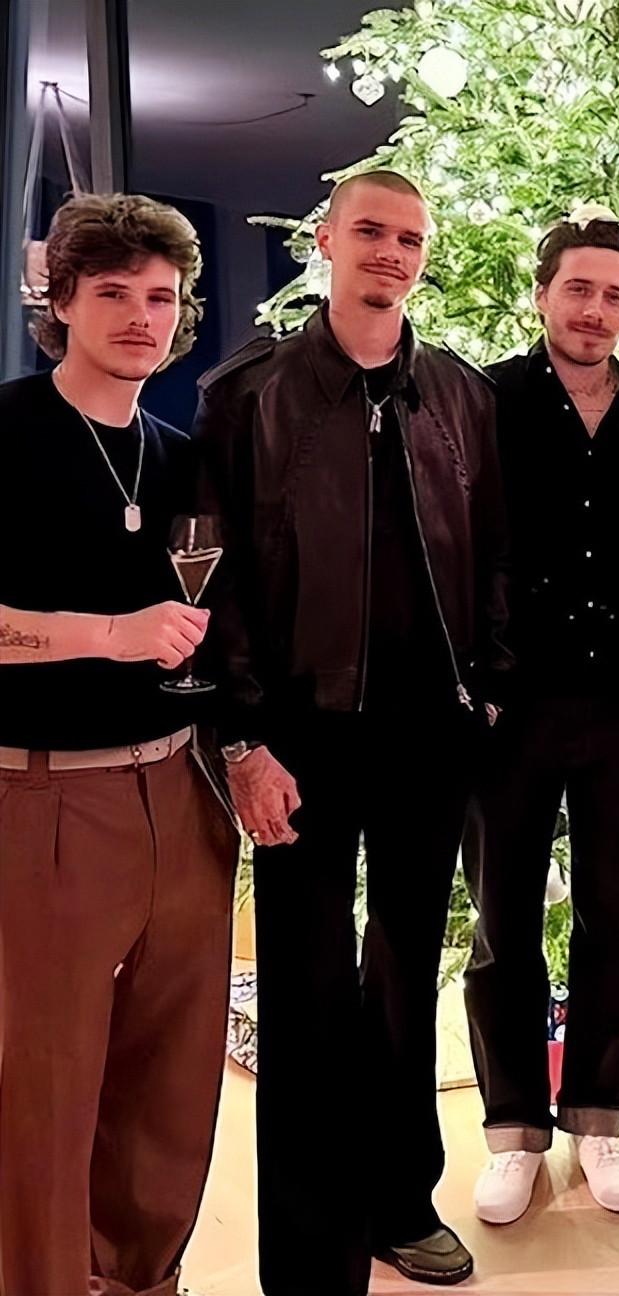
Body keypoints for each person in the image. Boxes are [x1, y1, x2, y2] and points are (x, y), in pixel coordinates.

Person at [197, 169, 511, 1291]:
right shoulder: (249, 395)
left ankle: (400, 1200)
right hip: (300, 739)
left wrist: (490, 692)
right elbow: (214, 583)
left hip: (429, 740)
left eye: (410, 239)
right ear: (327, 241)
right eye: (370, 231)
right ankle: (307, 1251)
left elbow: (495, 562)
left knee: (406, 975)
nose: (391, 253)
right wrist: (242, 739)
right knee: (305, 987)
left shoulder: (464, 396)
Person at [0, 193, 237, 1296]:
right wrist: (107, 635)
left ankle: (141, 1281)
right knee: (44, 1081)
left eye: (161, 296)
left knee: (172, 1077)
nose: (142, 316)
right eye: (113, 293)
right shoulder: (5, 434)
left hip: (181, 792)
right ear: (61, 302)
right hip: (44, 798)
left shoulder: (182, 458)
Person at [463, 207, 619, 1226]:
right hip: (509, 701)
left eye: (616, 295)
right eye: (580, 289)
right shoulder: (485, 399)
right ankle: (513, 1130)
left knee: (618, 917)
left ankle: (599, 1115)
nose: (596, 310)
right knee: (504, 923)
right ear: (543, 293)